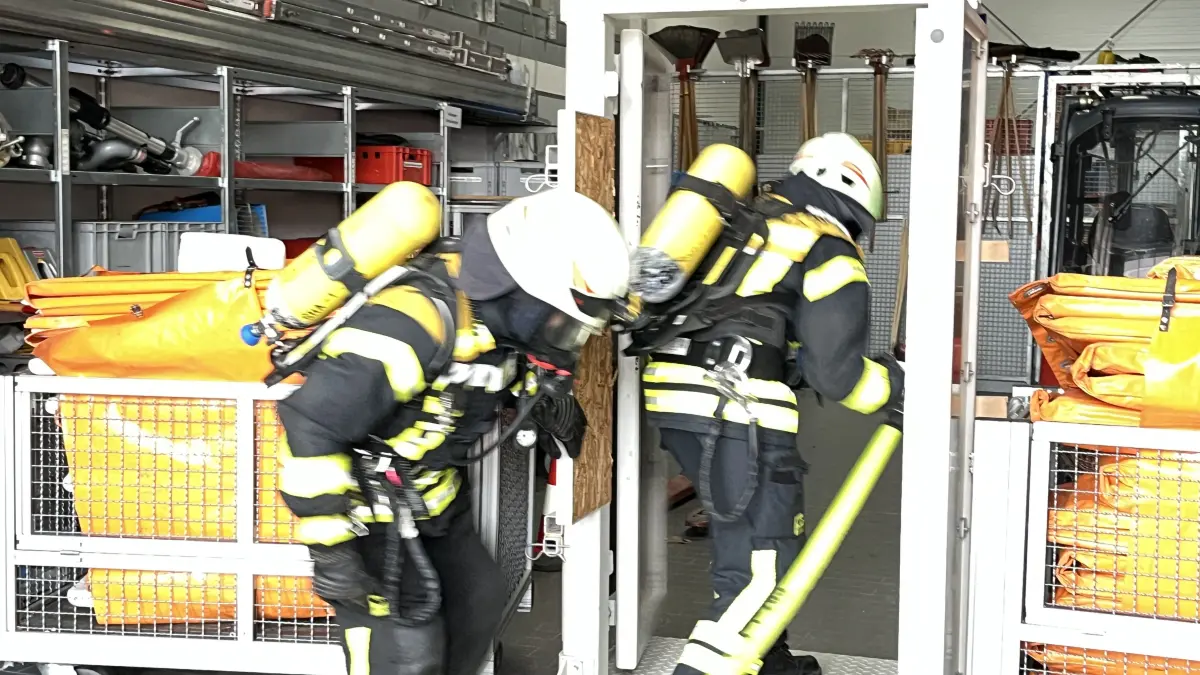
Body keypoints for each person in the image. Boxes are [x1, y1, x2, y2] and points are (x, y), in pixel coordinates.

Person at [275, 188, 631, 675]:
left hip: (436, 506)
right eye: (558, 320)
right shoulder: (410, 325)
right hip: (370, 520)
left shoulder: (500, 326)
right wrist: (330, 549)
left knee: (478, 606)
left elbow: (490, 378)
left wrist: (547, 400)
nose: (563, 336)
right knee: (408, 656)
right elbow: (311, 424)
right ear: (520, 291)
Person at [632, 132, 905, 675]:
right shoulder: (826, 246)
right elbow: (837, 374)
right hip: (739, 411)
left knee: (746, 542)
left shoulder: (746, 223)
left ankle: (771, 662)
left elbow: (755, 322)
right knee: (764, 565)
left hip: (677, 397)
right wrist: (898, 389)